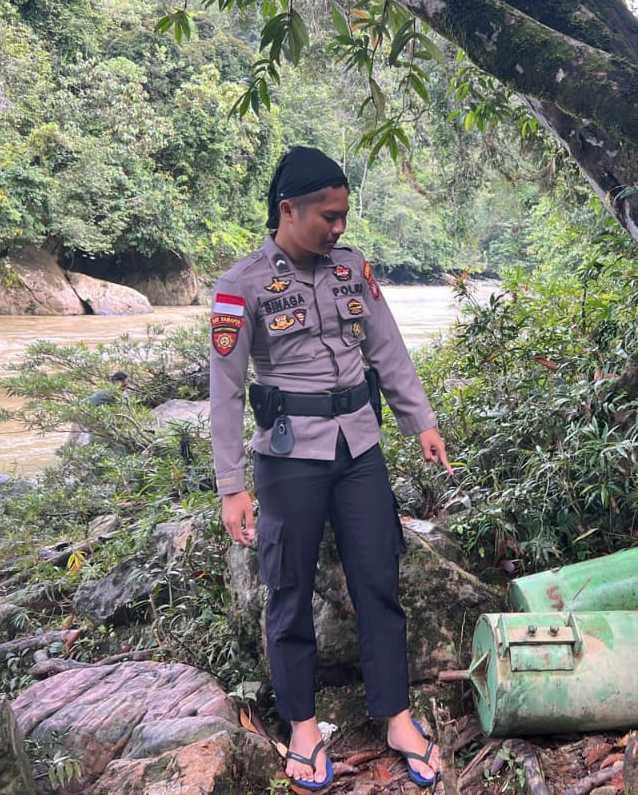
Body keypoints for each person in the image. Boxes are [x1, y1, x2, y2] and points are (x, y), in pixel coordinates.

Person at [209, 145, 452, 793]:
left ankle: (396, 717)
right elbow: (225, 392)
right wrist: (231, 485)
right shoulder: (241, 285)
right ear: (288, 210)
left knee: (378, 577)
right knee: (287, 589)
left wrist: (420, 421)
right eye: (328, 216)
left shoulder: (353, 270)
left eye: (345, 215)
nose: (339, 227)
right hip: (289, 458)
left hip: (359, 449)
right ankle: (304, 727)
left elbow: (388, 349)